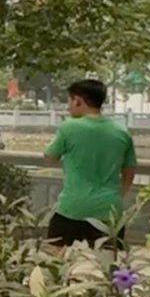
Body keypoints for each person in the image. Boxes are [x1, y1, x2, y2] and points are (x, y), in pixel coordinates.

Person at [41, 78, 138, 249]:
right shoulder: (122, 131)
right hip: (109, 209)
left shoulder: (69, 127)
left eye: (69, 101)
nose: (68, 106)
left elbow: (50, 157)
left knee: (55, 257)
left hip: (73, 206)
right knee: (109, 260)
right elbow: (129, 174)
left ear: (77, 100)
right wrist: (115, 195)